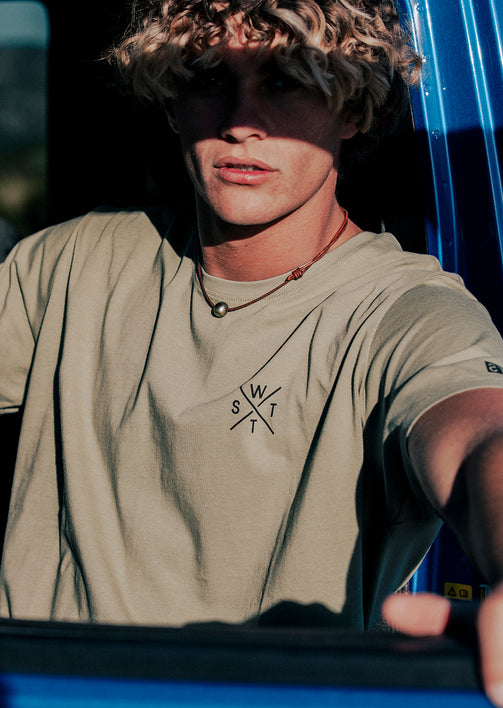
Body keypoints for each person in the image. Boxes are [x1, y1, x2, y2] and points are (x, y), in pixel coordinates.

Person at [1, 0, 503, 702]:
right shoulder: (73, 261)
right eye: (208, 76)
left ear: (353, 110)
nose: (241, 120)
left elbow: (477, 433)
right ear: (171, 99)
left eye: (286, 80)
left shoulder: (404, 314)